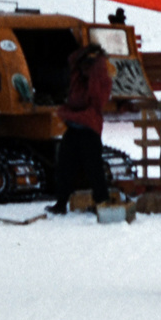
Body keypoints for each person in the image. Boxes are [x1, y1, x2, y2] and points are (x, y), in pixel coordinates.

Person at [48, 44, 114, 214]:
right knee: (68, 165)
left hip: (87, 126)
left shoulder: (97, 76)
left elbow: (93, 99)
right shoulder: (82, 74)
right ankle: (65, 202)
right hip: (81, 125)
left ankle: (100, 202)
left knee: (91, 168)